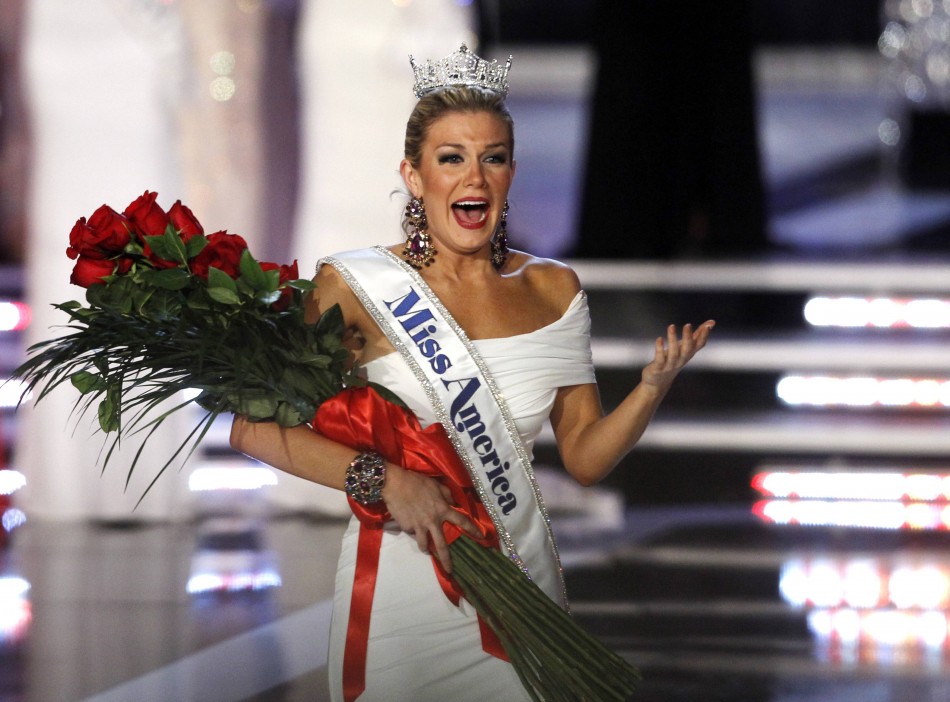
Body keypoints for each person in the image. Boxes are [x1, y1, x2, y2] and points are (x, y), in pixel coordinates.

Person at [230, 44, 714, 702]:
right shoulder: (357, 285)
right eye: (451, 159)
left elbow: (586, 459)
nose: (474, 179)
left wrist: (651, 391)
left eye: (492, 158)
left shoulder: (554, 289)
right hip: (400, 592)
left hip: (520, 590)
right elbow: (254, 430)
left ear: (512, 171)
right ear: (413, 172)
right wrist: (386, 479)